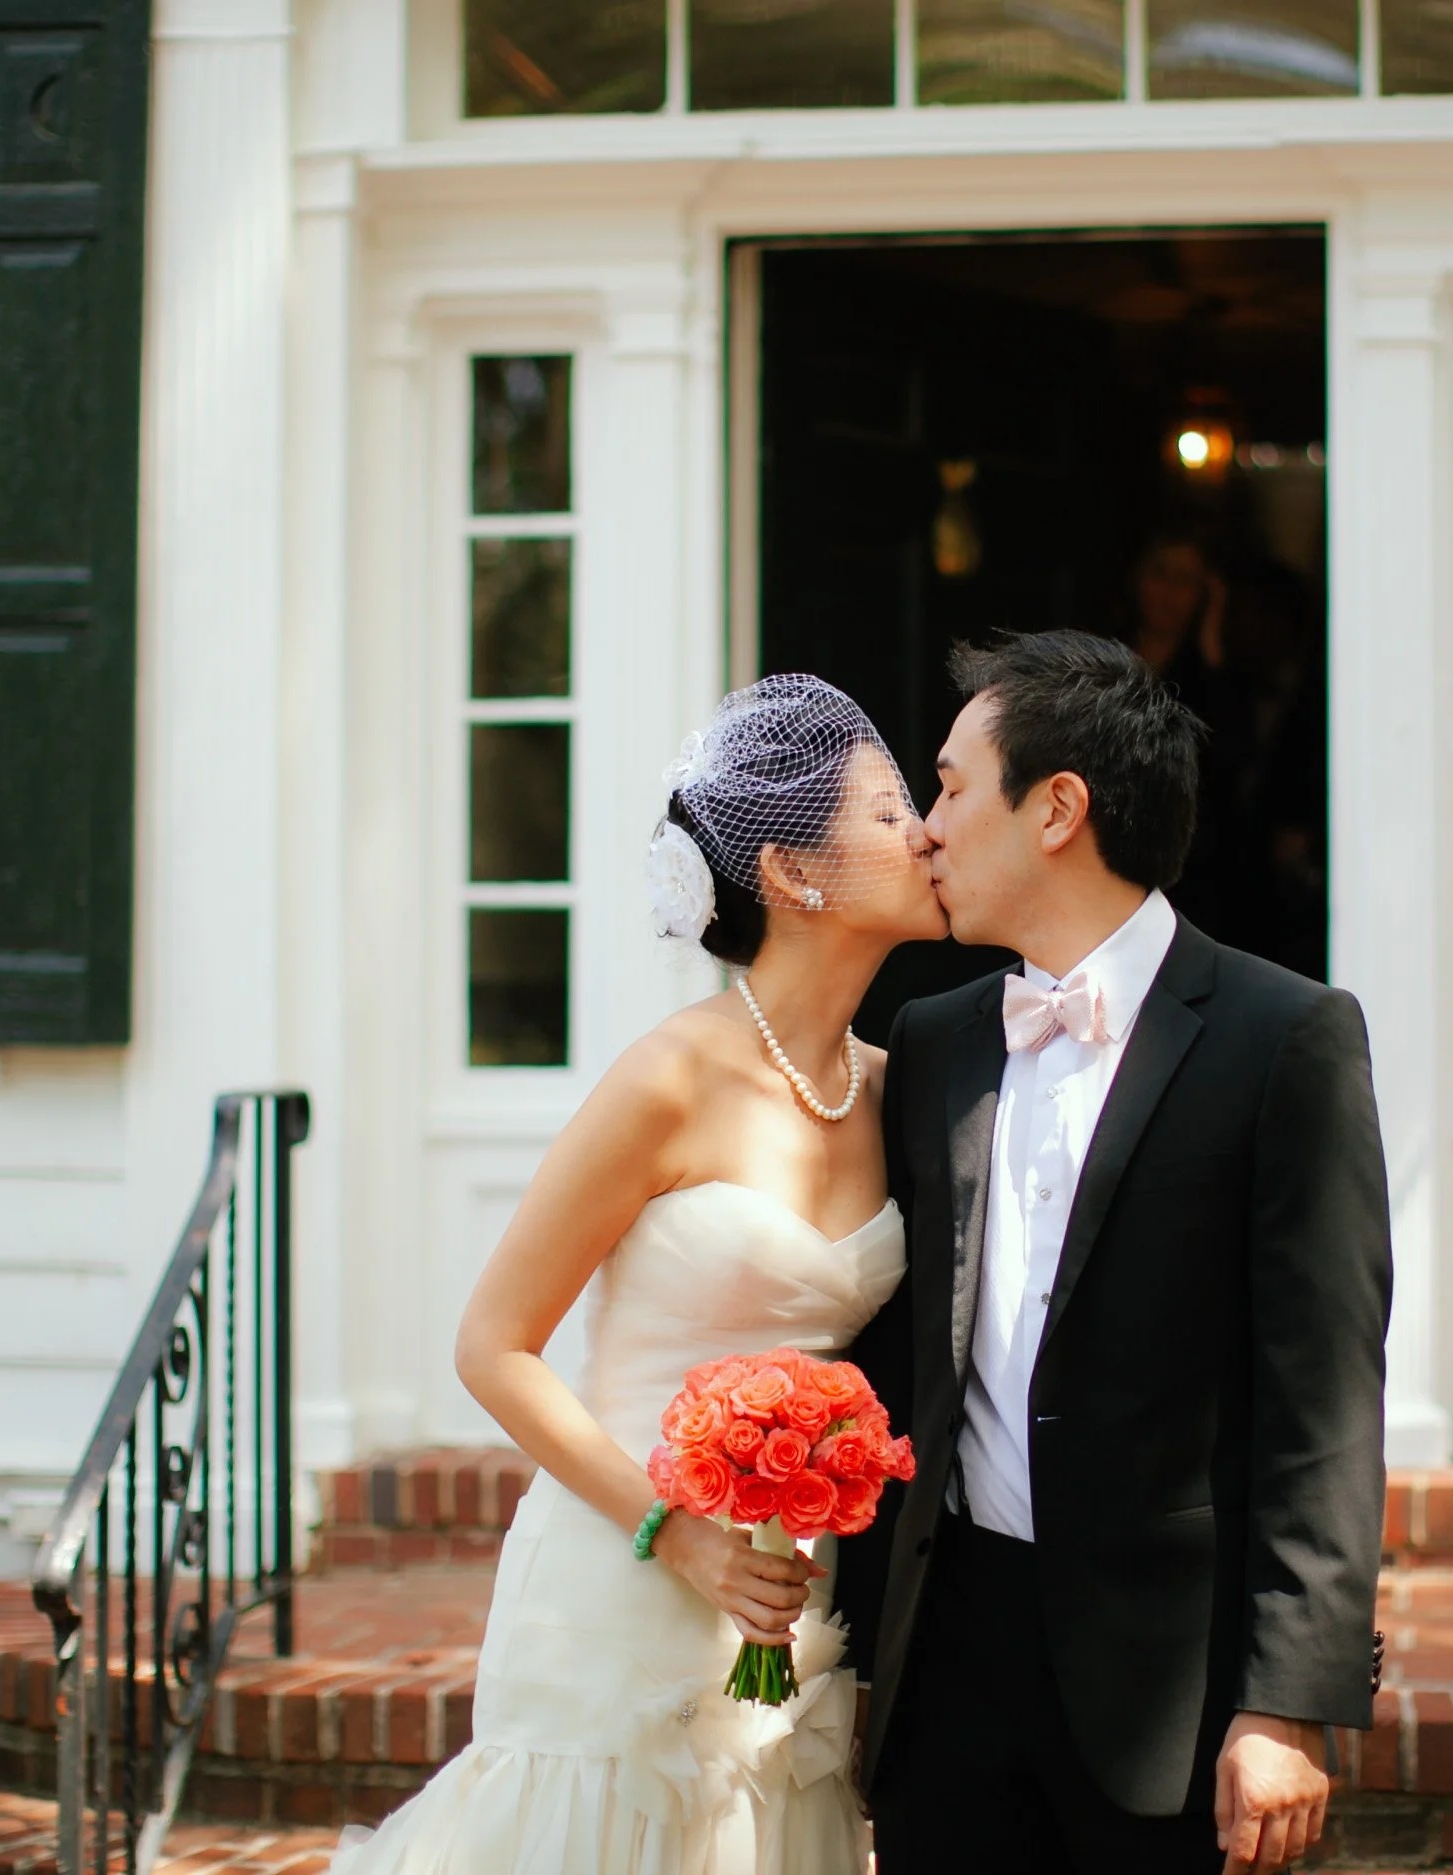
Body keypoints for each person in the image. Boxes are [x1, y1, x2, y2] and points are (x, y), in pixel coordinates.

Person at [332, 675, 943, 1875]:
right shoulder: (668, 1078)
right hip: (620, 1577)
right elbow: (491, 1346)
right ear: (793, 874)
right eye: (885, 813)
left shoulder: (895, 1086)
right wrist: (677, 1535)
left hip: (784, 1589)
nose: (922, 831)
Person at [845, 630, 1394, 1875]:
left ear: (1058, 809)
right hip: (947, 1677)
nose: (924, 826)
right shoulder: (930, 1043)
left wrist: (1286, 1701)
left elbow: (1324, 1406)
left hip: (1171, 1692)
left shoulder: (1283, 1039)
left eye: (946, 785)